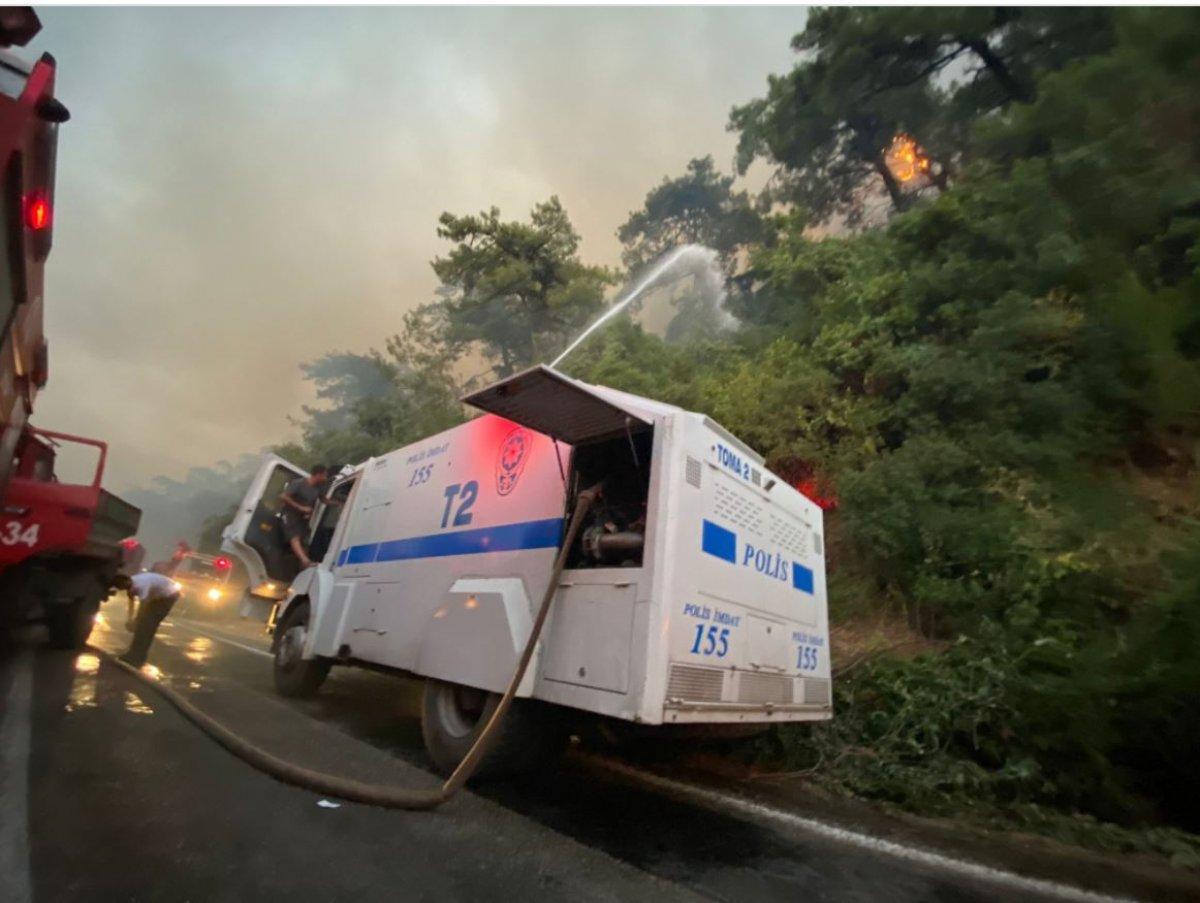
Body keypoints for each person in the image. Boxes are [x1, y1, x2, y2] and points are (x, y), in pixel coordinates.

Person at [113, 572, 182, 667]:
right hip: (156, 596)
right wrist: (130, 620)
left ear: (128, 581)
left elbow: (143, 606)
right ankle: (132, 653)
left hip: (169, 595)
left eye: (127, 587)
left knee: (147, 627)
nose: (128, 590)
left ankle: (138, 658)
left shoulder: (142, 584)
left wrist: (136, 621)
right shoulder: (130, 585)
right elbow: (131, 602)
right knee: (141, 626)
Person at [280, 465, 330, 568]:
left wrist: (339, 503)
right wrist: (300, 507)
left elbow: (324, 500)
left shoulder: (318, 488)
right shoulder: (299, 483)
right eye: (324, 475)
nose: (326, 478)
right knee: (294, 536)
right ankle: (305, 561)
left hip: (304, 518)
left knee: (305, 539)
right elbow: (283, 496)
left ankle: (303, 565)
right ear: (318, 475)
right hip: (290, 514)